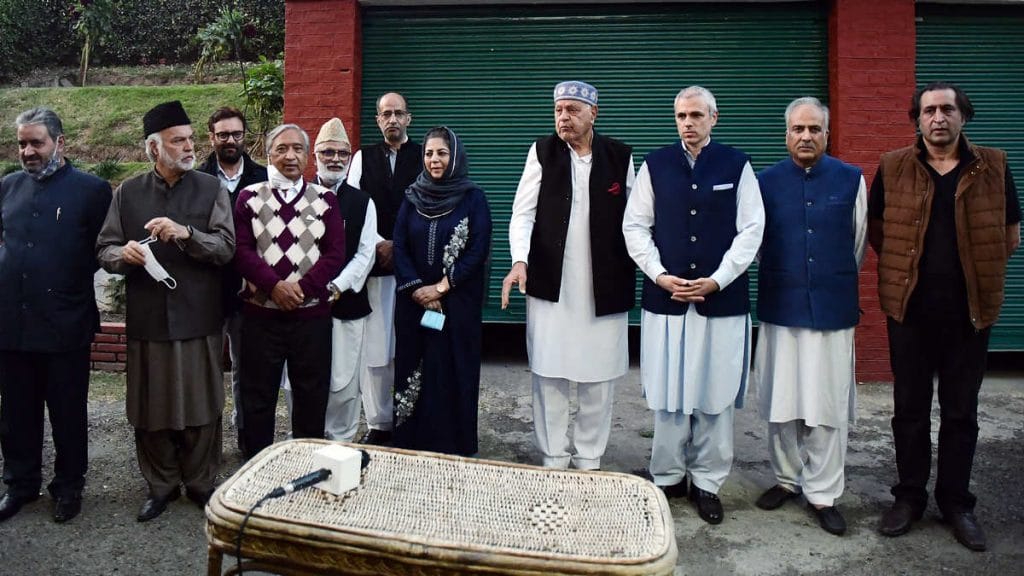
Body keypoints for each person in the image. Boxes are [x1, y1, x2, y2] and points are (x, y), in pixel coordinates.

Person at [870, 82, 1020, 551]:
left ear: (963, 117)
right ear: (916, 118)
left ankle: (956, 502)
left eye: (948, 109)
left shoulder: (994, 165)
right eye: (929, 110)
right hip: (909, 310)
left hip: (969, 314)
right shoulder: (893, 166)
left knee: (961, 412)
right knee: (909, 410)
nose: (938, 117)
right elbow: (877, 232)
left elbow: (1010, 234)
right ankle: (909, 497)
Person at [622, 86, 764, 525]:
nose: (688, 122)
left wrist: (718, 279)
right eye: (682, 115)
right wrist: (660, 275)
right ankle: (666, 476)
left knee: (715, 394)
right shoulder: (655, 164)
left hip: (721, 301)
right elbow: (635, 226)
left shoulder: (737, 165)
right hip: (666, 300)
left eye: (697, 115)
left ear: (714, 118)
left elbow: (752, 229)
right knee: (668, 393)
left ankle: (707, 481)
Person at [96, 101, 235, 522]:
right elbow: (105, 250)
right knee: (150, 407)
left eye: (191, 138)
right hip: (149, 320)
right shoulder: (128, 193)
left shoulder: (212, 189)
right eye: (179, 140)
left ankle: (199, 483)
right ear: (154, 149)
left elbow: (226, 247)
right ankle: (159, 486)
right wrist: (126, 253)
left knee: (201, 404)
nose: (190, 146)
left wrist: (188, 234)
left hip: (199, 316)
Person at [502, 81, 636, 471]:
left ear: (594, 113)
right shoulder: (542, 152)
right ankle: (554, 456)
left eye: (573, 110)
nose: (564, 117)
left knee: (599, 377)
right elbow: (522, 212)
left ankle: (589, 457)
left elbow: (637, 219)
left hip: (604, 283)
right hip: (550, 281)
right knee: (550, 372)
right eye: (559, 110)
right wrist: (519, 259)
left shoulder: (620, 156)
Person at [751, 97, 866, 536]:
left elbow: (857, 244)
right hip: (782, 306)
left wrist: (825, 279)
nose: (805, 136)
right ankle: (785, 478)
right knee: (782, 402)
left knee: (827, 405)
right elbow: (758, 247)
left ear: (826, 134)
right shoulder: (765, 183)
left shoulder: (851, 179)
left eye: (814, 129)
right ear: (786, 134)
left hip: (833, 309)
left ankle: (823, 491)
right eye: (798, 129)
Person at [0, 108, 112, 524]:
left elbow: (105, 249)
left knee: (67, 412)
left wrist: (64, 281)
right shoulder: (8, 187)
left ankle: (69, 487)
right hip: (12, 323)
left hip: (66, 323)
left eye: (36, 143)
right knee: (16, 413)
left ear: (60, 143)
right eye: (22, 143)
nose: (28, 151)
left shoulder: (91, 189)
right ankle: (20, 484)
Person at [233, 123, 346, 459]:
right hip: (260, 317)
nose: (290, 155)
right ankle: (257, 466)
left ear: (308, 155)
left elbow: (335, 253)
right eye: (281, 148)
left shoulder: (325, 199)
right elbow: (241, 249)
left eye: (298, 148)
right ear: (268, 154)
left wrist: (300, 289)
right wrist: (273, 286)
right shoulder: (249, 198)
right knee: (258, 396)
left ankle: (305, 467)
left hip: (311, 317)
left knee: (311, 395)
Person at [391, 126, 492, 456]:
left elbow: (479, 250)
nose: (435, 159)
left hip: (456, 304)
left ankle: (455, 442)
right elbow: (400, 246)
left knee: (452, 366)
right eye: (429, 153)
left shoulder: (473, 198)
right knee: (414, 363)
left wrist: (443, 287)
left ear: (455, 156)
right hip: (414, 303)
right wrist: (418, 288)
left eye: (442, 153)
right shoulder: (411, 197)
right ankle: (411, 439)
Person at [281, 117, 377, 441]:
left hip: (346, 304)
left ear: (349, 159)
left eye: (342, 153)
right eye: (327, 152)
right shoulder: (294, 197)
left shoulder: (363, 202)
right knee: (300, 381)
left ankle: (341, 448)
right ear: (315, 157)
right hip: (302, 306)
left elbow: (366, 254)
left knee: (345, 383)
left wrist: (337, 286)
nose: (335, 158)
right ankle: (303, 445)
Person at [345, 92, 422, 445]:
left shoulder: (424, 155)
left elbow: (429, 206)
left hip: (413, 268)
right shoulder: (364, 157)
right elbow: (353, 202)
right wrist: (378, 242)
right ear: (378, 120)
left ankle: (411, 419)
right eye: (385, 114)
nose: (392, 119)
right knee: (376, 350)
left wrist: (400, 246)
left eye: (398, 113)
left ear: (409, 118)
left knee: (409, 344)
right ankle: (379, 423)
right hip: (374, 266)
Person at [197, 106, 268, 455]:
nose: (230, 140)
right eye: (222, 134)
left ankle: (245, 440)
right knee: (208, 372)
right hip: (208, 291)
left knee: (247, 371)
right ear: (211, 137)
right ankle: (208, 444)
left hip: (249, 291)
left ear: (245, 136)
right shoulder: (196, 180)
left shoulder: (264, 178)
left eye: (236, 134)